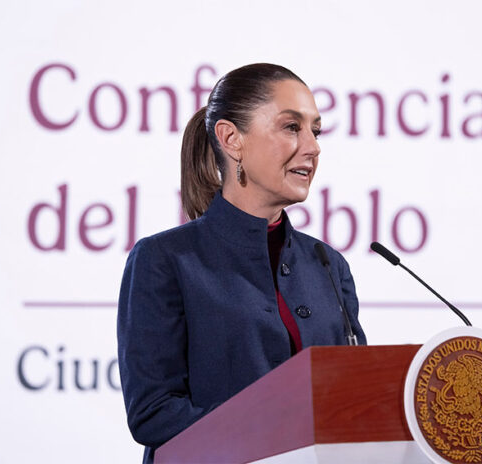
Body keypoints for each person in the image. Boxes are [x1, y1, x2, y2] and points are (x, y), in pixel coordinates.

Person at [117, 63, 367, 463]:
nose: (313, 147)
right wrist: (276, 433)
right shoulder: (165, 260)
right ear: (231, 139)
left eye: (315, 131)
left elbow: (354, 400)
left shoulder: (328, 265)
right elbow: (153, 412)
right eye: (291, 127)